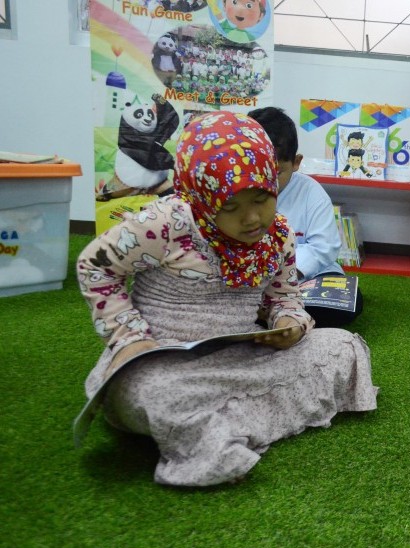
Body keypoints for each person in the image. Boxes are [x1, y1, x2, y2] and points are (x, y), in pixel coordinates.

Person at [77, 111, 377, 486]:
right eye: (230, 207)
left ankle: (215, 428)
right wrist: (129, 339)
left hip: (242, 353)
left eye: (263, 199)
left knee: (342, 347)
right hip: (164, 359)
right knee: (153, 393)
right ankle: (221, 427)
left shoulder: (278, 234)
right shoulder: (168, 222)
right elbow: (95, 266)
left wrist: (289, 324)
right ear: (200, 197)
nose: (253, 219)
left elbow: (285, 298)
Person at [249, 106, 364, 327]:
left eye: (276, 172)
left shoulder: (312, 191)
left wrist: (287, 277)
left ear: (296, 162)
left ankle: (271, 314)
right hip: (251, 280)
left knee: (346, 303)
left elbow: (324, 247)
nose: (266, 181)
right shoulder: (236, 193)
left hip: (306, 278)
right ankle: (271, 313)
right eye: (257, 170)